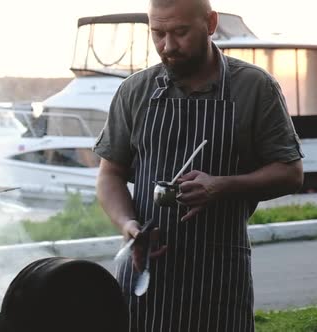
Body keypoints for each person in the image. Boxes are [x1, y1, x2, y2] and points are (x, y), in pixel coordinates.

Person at [93, 0, 304, 331]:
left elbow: (291, 173)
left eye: (180, 32)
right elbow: (110, 174)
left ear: (210, 23)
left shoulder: (255, 88)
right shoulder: (134, 91)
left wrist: (221, 186)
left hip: (218, 277)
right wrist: (128, 226)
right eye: (157, 33)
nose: (168, 46)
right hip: (145, 275)